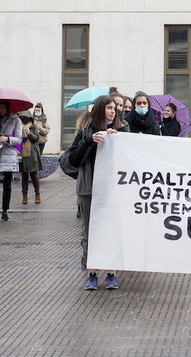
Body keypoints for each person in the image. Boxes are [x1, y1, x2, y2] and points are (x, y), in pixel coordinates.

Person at [68, 95, 122, 290]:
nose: (112, 111)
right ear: (100, 109)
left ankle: (111, 273)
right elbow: (73, 159)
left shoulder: (121, 131)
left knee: (111, 230)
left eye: (114, 108)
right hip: (89, 190)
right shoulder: (85, 132)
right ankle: (91, 273)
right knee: (89, 231)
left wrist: (117, 141)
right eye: (109, 108)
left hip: (111, 191)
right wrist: (89, 141)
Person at [19, 111, 43, 204]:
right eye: (22, 117)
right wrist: (23, 136)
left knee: (33, 175)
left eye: (26, 117)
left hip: (32, 154)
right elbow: (17, 138)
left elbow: (36, 139)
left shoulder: (33, 127)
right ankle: (24, 196)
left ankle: (37, 194)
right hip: (22, 154)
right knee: (24, 176)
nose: (24, 119)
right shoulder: (19, 127)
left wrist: (29, 133)